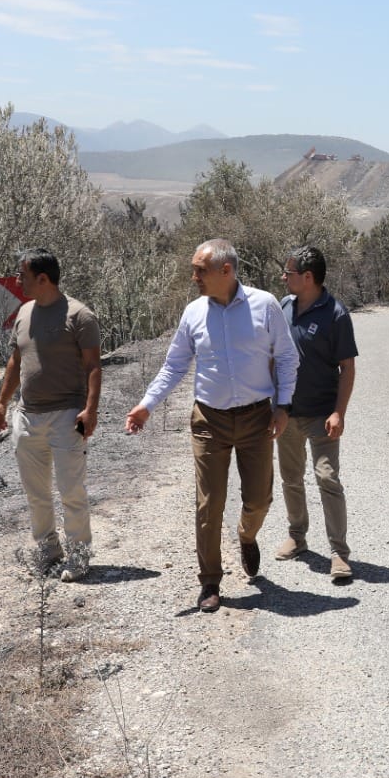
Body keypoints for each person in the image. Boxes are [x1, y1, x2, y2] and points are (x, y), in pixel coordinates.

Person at [124, 239, 298, 613]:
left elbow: (286, 357)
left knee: (259, 499)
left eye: (200, 270)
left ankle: (246, 535)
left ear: (226, 270)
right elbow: (174, 366)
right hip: (209, 420)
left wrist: (283, 406)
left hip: (256, 418)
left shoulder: (264, 305)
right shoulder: (193, 313)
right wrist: (146, 405)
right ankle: (210, 582)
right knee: (209, 503)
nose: (194, 277)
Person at [0, 248, 102, 582]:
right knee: (36, 494)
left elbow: (94, 366)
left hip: (68, 416)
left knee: (71, 491)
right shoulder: (24, 312)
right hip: (28, 417)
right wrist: (1, 403)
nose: (18, 279)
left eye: (22, 274)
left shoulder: (80, 315)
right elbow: (15, 362)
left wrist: (91, 410)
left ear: (43, 278)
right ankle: (49, 551)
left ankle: (79, 557)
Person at [274, 246, 358, 582]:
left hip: (322, 414)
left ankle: (339, 552)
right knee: (291, 478)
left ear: (307, 278)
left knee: (327, 478)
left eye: (289, 273)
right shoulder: (283, 306)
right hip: (287, 413)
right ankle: (297, 536)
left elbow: (348, 368)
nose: (284, 277)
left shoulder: (336, 314)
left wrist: (339, 412)